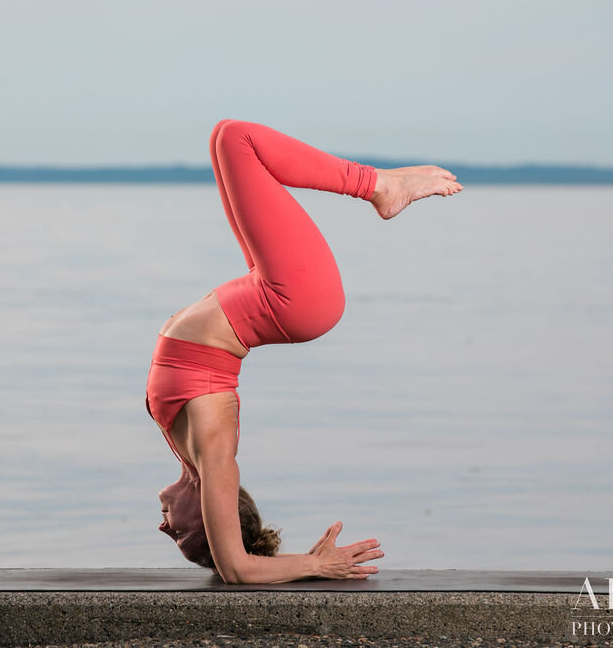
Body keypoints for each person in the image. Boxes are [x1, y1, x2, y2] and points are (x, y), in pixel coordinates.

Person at [145, 119, 462, 584]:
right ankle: (378, 185)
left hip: (264, 291)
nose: (163, 526)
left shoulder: (187, 450)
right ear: (212, 519)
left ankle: (380, 182)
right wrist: (315, 565)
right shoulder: (215, 456)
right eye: (180, 537)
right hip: (290, 301)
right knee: (238, 139)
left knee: (222, 139)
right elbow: (236, 569)